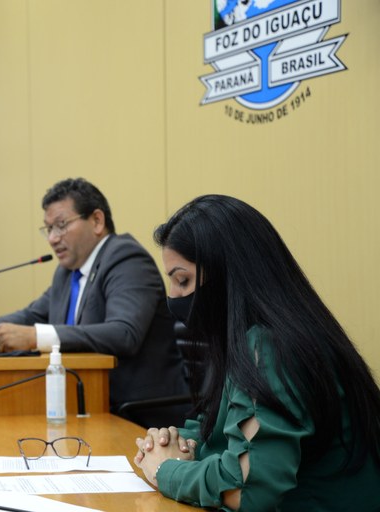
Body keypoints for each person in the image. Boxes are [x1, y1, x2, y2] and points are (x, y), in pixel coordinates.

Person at [134, 194, 380, 510]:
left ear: (228, 273)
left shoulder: (271, 348)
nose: (173, 297)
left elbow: (247, 489)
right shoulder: (254, 337)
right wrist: (171, 442)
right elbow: (222, 427)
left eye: (183, 280)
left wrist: (165, 470)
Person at [0, 178, 188, 426]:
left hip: (140, 414)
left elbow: (124, 334)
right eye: (49, 229)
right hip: (87, 405)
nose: (53, 238)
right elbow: (33, 315)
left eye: (61, 225)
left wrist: (35, 337)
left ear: (97, 221)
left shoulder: (126, 258)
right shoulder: (68, 272)